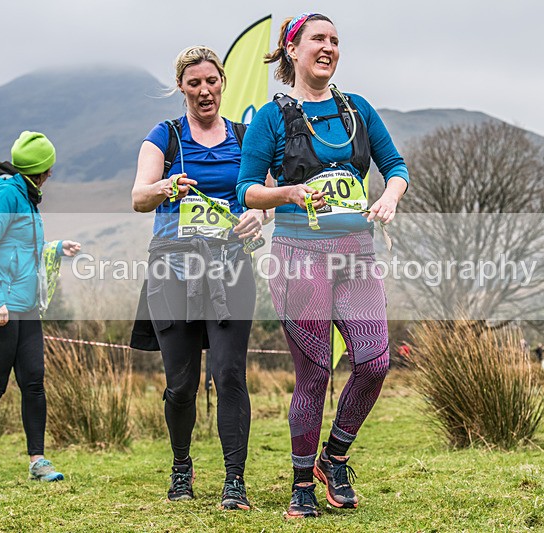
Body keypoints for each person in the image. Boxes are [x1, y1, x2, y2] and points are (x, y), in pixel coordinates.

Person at [236, 13, 409, 519]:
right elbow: (246, 187)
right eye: (318, 39)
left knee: (375, 362)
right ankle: (300, 486)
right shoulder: (272, 118)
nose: (329, 47)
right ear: (293, 50)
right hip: (297, 254)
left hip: (356, 252)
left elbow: (394, 166)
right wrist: (285, 191)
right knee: (313, 373)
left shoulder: (358, 110)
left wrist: (390, 197)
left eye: (335, 40)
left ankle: (334, 458)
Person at [131, 45, 266, 511]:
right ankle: (182, 467)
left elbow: (259, 198)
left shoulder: (246, 137)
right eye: (194, 84)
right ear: (181, 88)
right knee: (181, 383)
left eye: (211, 81)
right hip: (172, 268)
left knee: (229, 375)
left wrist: (256, 218)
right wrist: (165, 186)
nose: (204, 91)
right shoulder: (164, 136)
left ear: (222, 82)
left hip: (230, 266)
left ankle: (234, 481)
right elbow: (138, 197)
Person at [0, 131, 81, 484]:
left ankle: (38, 461)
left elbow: (18, 249)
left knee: (34, 381)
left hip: (23, 307)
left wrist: (54, 248)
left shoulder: (26, 196)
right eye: (48, 168)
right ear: (39, 169)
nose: (51, 174)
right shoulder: (5, 195)